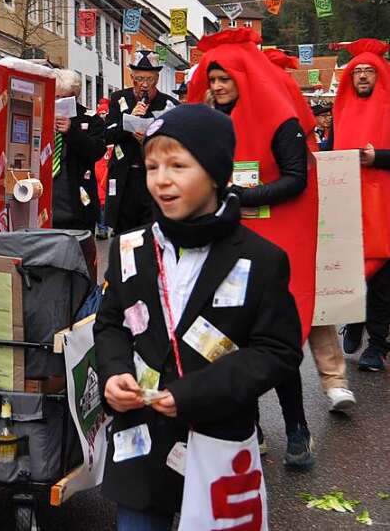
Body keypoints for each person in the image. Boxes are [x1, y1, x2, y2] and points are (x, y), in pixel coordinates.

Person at [94, 105, 302, 531]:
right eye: (152, 166)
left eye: (178, 165)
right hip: (141, 445)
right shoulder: (130, 247)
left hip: (216, 443)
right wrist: (114, 372)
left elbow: (276, 351)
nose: (161, 179)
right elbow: (111, 322)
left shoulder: (261, 259)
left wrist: (196, 393)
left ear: (216, 174)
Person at [189, 28, 321, 468]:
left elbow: (296, 179)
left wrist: (243, 196)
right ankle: (253, 428)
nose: (218, 87)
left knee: (276, 340)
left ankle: (298, 429)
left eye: (225, 79)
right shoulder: (211, 122)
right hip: (223, 242)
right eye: (213, 80)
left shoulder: (282, 123)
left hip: (273, 246)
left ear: (244, 78)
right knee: (227, 339)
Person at [261, 48, 356, 414]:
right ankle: (248, 407)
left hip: (300, 214)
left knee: (315, 296)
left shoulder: (294, 125)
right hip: (260, 219)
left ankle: (334, 380)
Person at [332, 39, 390, 372]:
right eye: (358, 72)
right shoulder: (342, 111)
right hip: (348, 202)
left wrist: (377, 157)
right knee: (350, 269)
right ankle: (354, 321)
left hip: (383, 205)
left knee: (382, 278)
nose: (364, 76)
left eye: (370, 71)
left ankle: (377, 345)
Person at [104, 50, 179, 234]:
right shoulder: (118, 99)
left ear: (157, 79)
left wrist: (149, 140)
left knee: (153, 229)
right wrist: (128, 121)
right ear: (131, 77)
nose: (144, 84)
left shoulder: (169, 104)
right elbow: (106, 135)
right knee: (125, 233)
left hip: (154, 175)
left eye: (150, 79)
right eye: (139, 79)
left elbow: (175, 143)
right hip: (126, 176)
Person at [49, 69, 106, 273]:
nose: (58, 103)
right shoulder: (41, 113)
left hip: (78, 207)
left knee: (81, 266)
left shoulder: (90, 119)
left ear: (75, 97)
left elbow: (96, 152)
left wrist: (72, 131)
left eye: (64, 98)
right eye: (55, 97)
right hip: (48, 206)